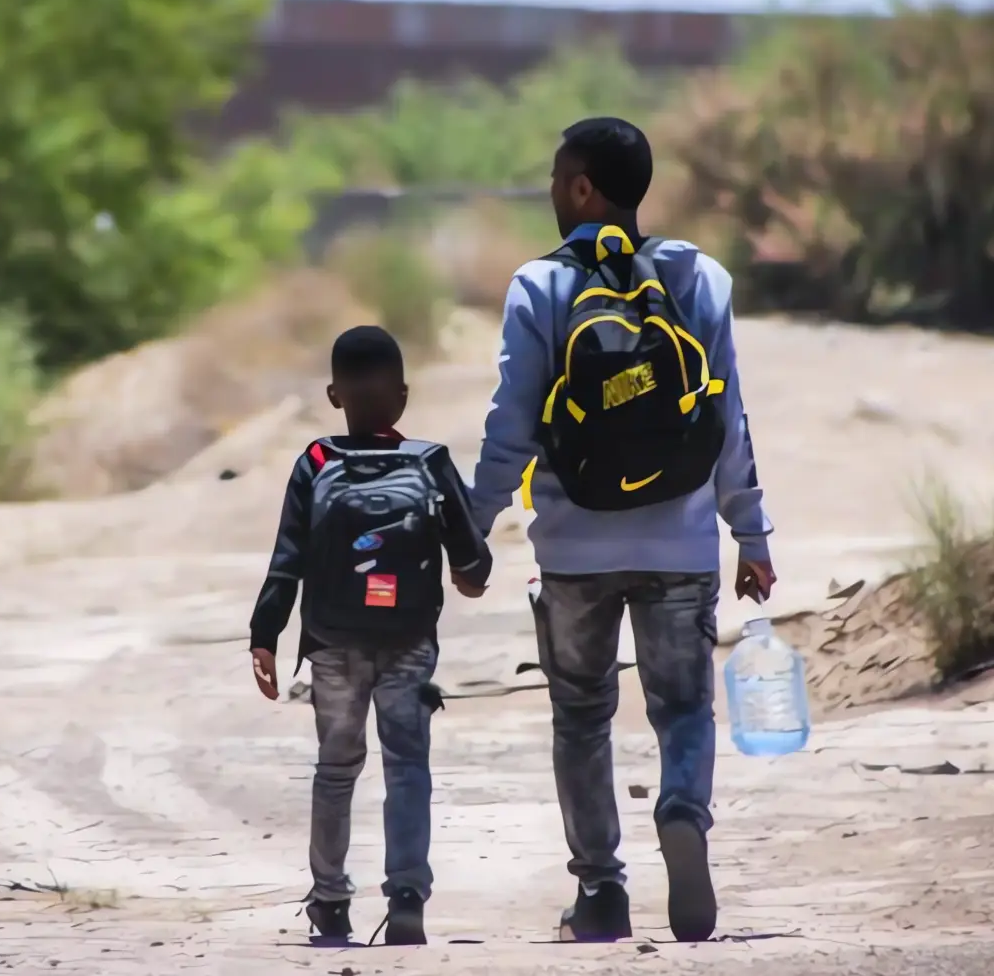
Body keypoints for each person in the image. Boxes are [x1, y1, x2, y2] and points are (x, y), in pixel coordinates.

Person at [469, 117, 777, 944]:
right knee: (682, 710)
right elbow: (727, 419)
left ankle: (601, 891)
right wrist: (751, 534)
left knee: (580, 715)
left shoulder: (540, 286)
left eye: (555, 177)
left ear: (580, 188)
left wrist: (471, 527)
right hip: (680, 545)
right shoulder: (699, 277)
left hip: (573, 548)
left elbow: (512, 427)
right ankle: (681, 810)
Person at [248, 324, 493, 947]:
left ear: (335, 396)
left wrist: (264, 635)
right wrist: (466, 577)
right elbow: (475, 565)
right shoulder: (430, 461)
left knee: (336, 769)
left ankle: (330, 900)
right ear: (403, 396)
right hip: (409, 640)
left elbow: (288, 557)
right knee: (407, 765)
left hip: (330, 643)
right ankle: (406, 892)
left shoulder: (317, 461)